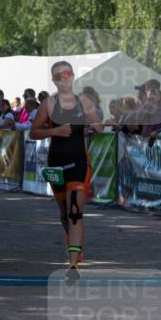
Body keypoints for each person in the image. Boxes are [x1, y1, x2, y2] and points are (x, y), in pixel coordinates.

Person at [29, 60, 105, 279]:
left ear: (72, 77)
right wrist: (55, 131)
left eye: (67, 74)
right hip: (56, 163)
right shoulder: (49, 105)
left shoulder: (84, 101)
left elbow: (98, 125)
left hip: (80, 162)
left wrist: (98, 125)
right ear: (54, 80)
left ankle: (73, 265)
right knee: (64, 212)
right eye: (59, 75)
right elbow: (34, 132)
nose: (64, 78)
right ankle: (73, 244)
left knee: (74, 211)